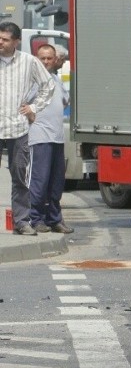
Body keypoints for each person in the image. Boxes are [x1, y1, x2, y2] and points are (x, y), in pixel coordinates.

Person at [0, 22, 55, 236]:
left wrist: (33, 107)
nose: (1, 42)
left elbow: (47, 86)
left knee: (20, 177)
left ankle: (21, 222)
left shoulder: (29, 62)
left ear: (16, 42)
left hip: (18, 127)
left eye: (5, 39)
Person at [21, 44, 74, 234]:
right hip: (39, 138)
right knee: (39, 181)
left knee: (56, 182)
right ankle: (36, 219)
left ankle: (54, 219)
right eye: (42, 58)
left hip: (57, 138)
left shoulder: (56, 81)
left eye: (49, 58)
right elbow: (20, 104)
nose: (45, 62)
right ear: (37, 59)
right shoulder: (32, 81)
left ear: (55, 60)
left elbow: (65, 100)